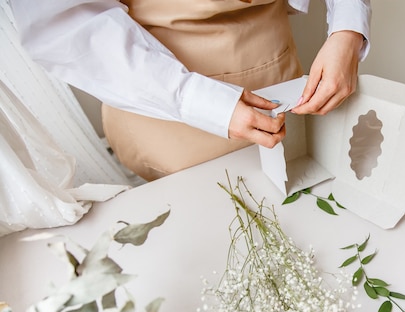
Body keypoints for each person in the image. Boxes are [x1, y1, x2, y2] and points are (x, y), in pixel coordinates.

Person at [9, 0, 371, 181]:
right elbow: (67, 25)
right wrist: (200, 102)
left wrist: (348, 28)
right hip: (159, 92)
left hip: (277, 63)